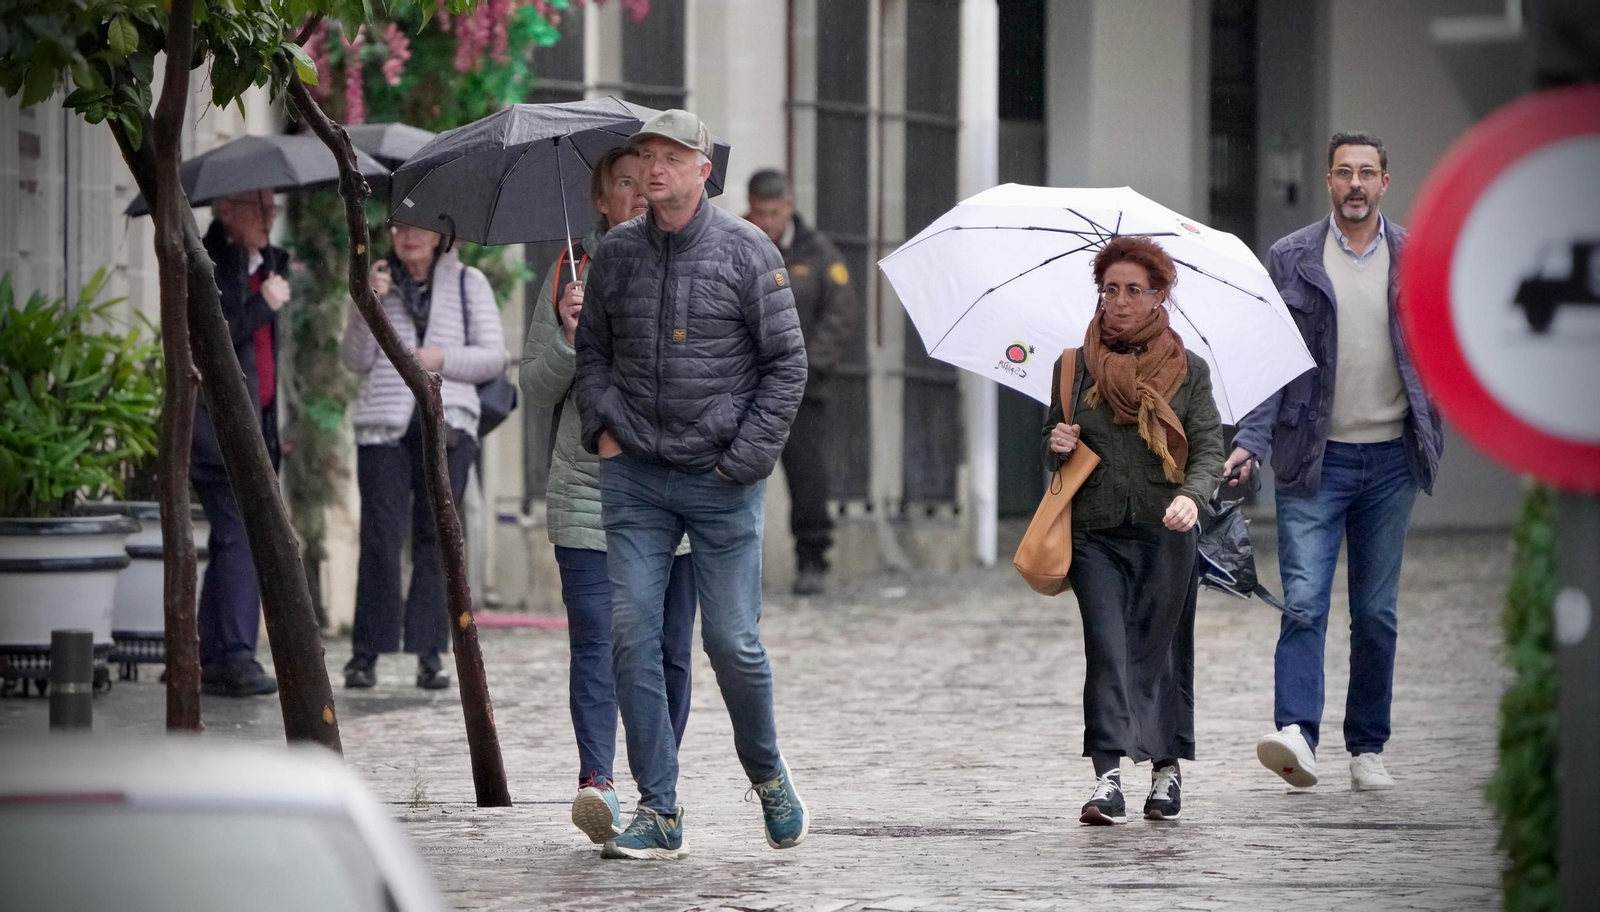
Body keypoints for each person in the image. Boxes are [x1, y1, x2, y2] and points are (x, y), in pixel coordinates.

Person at [574, 109, 810, 860]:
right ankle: (660, 809)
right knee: (630, 634)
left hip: (721, 479)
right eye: (646, 156)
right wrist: (604, 428)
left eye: (671, 157)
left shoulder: (749, 252)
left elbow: (788, 367)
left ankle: (768, 775)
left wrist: (741, 462)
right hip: (636, 478)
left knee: (731, 643)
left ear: (703, 170)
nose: (653, 169)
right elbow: (593, 354)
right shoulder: (615, 253)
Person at [1228, 132, 1443, 793]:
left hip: (1390, 461)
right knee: (1304, 603)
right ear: (1328, 181)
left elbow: (1442, 345)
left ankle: (1367, 748)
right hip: (1312, 459)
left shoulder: (1417, 258)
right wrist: (1251, 441)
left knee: (1375, 613)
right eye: (1344, 172)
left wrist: (1438, 419)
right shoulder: (1291, 257)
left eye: (1367, 173)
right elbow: (1269, 361)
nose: (1355, 183)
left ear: (1385, 182)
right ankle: (1297, 732)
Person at [519, 145, 699, 845]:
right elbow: (535, 386)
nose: (637, 194)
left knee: (667, 650)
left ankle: (661, 788)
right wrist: (569, 333)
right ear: (600, 201)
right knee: (595, 640)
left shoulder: (690, 265)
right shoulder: (570, 273)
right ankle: (598, 783)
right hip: (589, 490)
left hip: (672, 488)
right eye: (622, 184)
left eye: (645, 182)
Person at [1041, 236, 1223, 825]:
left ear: (1159, 296)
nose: (1118, 302)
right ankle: (1108, 778)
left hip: (1166, 530)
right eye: (1109, 290)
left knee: (1163, 650)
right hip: (1095, 533)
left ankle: (1167, 771)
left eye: (1132, 291)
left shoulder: (1188, 370)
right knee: (1106, 648)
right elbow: (1053, 443)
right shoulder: (1073, 367)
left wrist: (1192, 498)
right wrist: (1057, 443)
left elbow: (1208, 445)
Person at [340, 222, 507, 690]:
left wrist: (440, 357)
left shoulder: (468, 283)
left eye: (418, 228)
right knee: (380, 537)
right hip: (384, 425)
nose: (406, 235)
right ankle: (365, 653)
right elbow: (355, 359)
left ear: (440, 236)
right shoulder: (378, 282)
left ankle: (431, 652)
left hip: (448, 423)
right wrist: (364, 303)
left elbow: (494, 357)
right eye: (398, 227)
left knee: (437, 538)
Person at [193, 189, 291, 698]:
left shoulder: (264, 262)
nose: (270, 217)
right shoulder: (209, 261)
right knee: (240, 535)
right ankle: (233, 654)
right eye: (260, 207)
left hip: (257, 428)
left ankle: (211, 654)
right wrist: (263, 303)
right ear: (228, 210)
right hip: (219, 429)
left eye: (273, 209)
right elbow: (216, 335)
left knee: (231, 536)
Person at [745, 169, 858, 596]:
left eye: (772, 213)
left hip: (802, 392)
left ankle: (812, 559)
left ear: (789, 206)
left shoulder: (820, 253)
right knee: (731, 475)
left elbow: (840, 316)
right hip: (746, 384)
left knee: (808, 478)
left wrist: (803, 365)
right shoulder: (738, 244)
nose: (765, 222)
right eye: (758, 213)